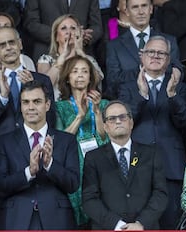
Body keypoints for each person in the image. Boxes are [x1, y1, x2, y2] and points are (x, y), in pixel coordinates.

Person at [119, 35, 186, 229]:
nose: (156, 56)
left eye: (162, 53)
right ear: (141, 56)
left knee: (171, 223)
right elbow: (123, 124)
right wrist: (142, 95)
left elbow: (185, 123)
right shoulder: (128, 86)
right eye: (151, 52)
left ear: (168, 60)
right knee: (139, 224)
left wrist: (172, 95)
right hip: (137, 165)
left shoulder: (180, 87)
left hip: (170, 166)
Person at [0, 80, 79, 230]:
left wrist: (50, 164)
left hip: (56, 219)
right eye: (26, 102)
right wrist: (28, 172)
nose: (30, 107)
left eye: (37, 101)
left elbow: (73, 184)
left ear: (47, 105)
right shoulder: (4, 141)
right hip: (17, 219)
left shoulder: (66, 140)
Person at [82, 100, 168, 230]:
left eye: (122, 117)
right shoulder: (93, 157)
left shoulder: (151, 153)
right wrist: (117, 225)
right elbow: (89, 199)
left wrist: (141, 223)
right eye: (112, 119)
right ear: (105, 126)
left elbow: (160, 193)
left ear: (131, 122)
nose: (118, 121)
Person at [0, 27, 56, 148]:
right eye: (2, 45)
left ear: (20, 44)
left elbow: (51, 119)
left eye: (12, 42)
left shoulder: (42, 80)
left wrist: (34, 89)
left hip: (34, 146)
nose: (8, 47)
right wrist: (2, 98)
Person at [55, 55, 109, 227]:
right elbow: (60, 142)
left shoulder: (105, 103)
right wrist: (80, 116)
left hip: (101, 165)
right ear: (67, 78)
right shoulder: (59, 107)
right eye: (74, 71)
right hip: (73, 166)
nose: (80, 75)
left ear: (91, 77)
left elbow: (105, 138)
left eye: (84, 71)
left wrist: (97, 112)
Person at [106, 0, 182, 99]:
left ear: (151, 9)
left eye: (144, 6)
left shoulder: (169, 41)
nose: (141, 12)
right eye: (135, 7)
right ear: (127, 11)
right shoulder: (114, 46)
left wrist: (153, 67)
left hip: (164, 105)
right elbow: (113, 82)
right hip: (129, 105)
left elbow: (176, 72)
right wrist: (142, 67)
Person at [37, 14, 104, 101]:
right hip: (57, 109)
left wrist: (80, 53)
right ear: (56, 37)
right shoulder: (46, 59)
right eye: (63, 28)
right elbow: (44, 86)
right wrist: (62, 57)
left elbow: (97, 81)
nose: (69, 32)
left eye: (73, 28)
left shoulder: (88, 59)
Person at [23, 0, 103, 62]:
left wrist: (85, 36)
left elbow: (97, 26)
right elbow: (31, 23)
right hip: (47, 51)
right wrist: (59, 35)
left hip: (82, 52)